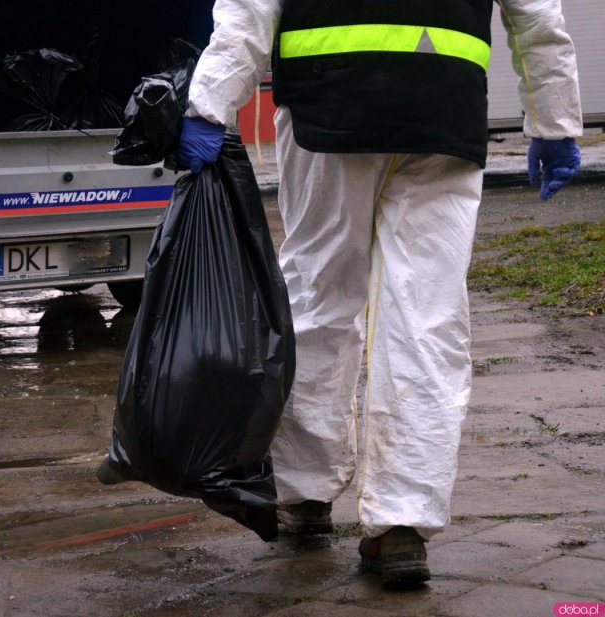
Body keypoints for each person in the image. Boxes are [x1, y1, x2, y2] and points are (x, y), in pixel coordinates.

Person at [177, 0, 582, 589]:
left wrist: (210, 103)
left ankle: (304, 491)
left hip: (329, 107)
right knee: (427, 315)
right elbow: (538, 17)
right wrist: (554, 121)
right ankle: (402, 526)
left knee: (319, 301)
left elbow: (248, 11)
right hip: (441, 112)